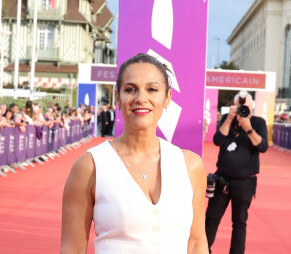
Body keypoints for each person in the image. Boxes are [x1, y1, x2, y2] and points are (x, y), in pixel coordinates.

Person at [61, 53, 208, 253]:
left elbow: (196, 243)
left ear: (167, 98)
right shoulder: (90, 166)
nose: (141, 98)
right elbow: (72, 249)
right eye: (130, 89)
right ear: (117, 97)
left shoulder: (190, 165)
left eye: (152, 89)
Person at [205, 90, 268, 254]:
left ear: (252, 106)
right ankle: (203, 250)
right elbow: (217, 140)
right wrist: (230, 119)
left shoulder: (258, 122)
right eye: (240, 106)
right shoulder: (227, 119)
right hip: (222, 179)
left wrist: (248, 128)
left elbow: (263, 146)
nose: (243, 110)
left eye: (246, 106)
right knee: (212, 218)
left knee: (239, 223)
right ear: (234, 106)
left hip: (245, 183)